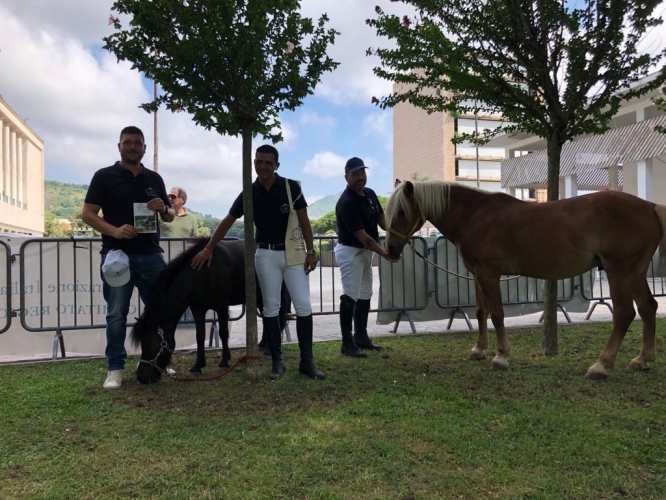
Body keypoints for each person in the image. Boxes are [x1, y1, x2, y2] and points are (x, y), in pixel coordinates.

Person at [191, 144, 324, 381]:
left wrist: (311, 251)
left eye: (268, 163)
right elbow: (228, 220)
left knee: (303, 305)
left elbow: (305, 223)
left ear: (277, 165)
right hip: (265, 254)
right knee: (271, 308)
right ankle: (277, 361)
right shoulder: (249, 192)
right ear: (253, 163)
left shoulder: (290, 187)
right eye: (259, 162)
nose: (263, 166)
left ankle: (307, 361)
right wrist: (209, 248)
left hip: (293, 254)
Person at [82, 126, 175, 390]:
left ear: (145, 148)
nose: (133, 147)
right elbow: (88, 214)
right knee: (116, 315)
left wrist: (164, 207)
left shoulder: (154, 179)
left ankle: (159, 359)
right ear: (119, 146)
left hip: (151, 255)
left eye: (137, 143)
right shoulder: (103, 176)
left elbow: (169, 216)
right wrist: (115, 231)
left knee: (161, 312)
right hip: (117, 255)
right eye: (128, 142)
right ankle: (115, 368)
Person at [334, 157, 397, 358]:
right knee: (350, 295)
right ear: (346, 177)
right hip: (350, 251)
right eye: (355, 174)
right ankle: (347, 343)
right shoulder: (346, 202)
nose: (360, 177)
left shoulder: (369, 194)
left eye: (362, 173)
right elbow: (363, 236)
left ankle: (361, 336)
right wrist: (384, 253)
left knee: (365, 293)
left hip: (365, 252)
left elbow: (381, 219)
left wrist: (395, 231)